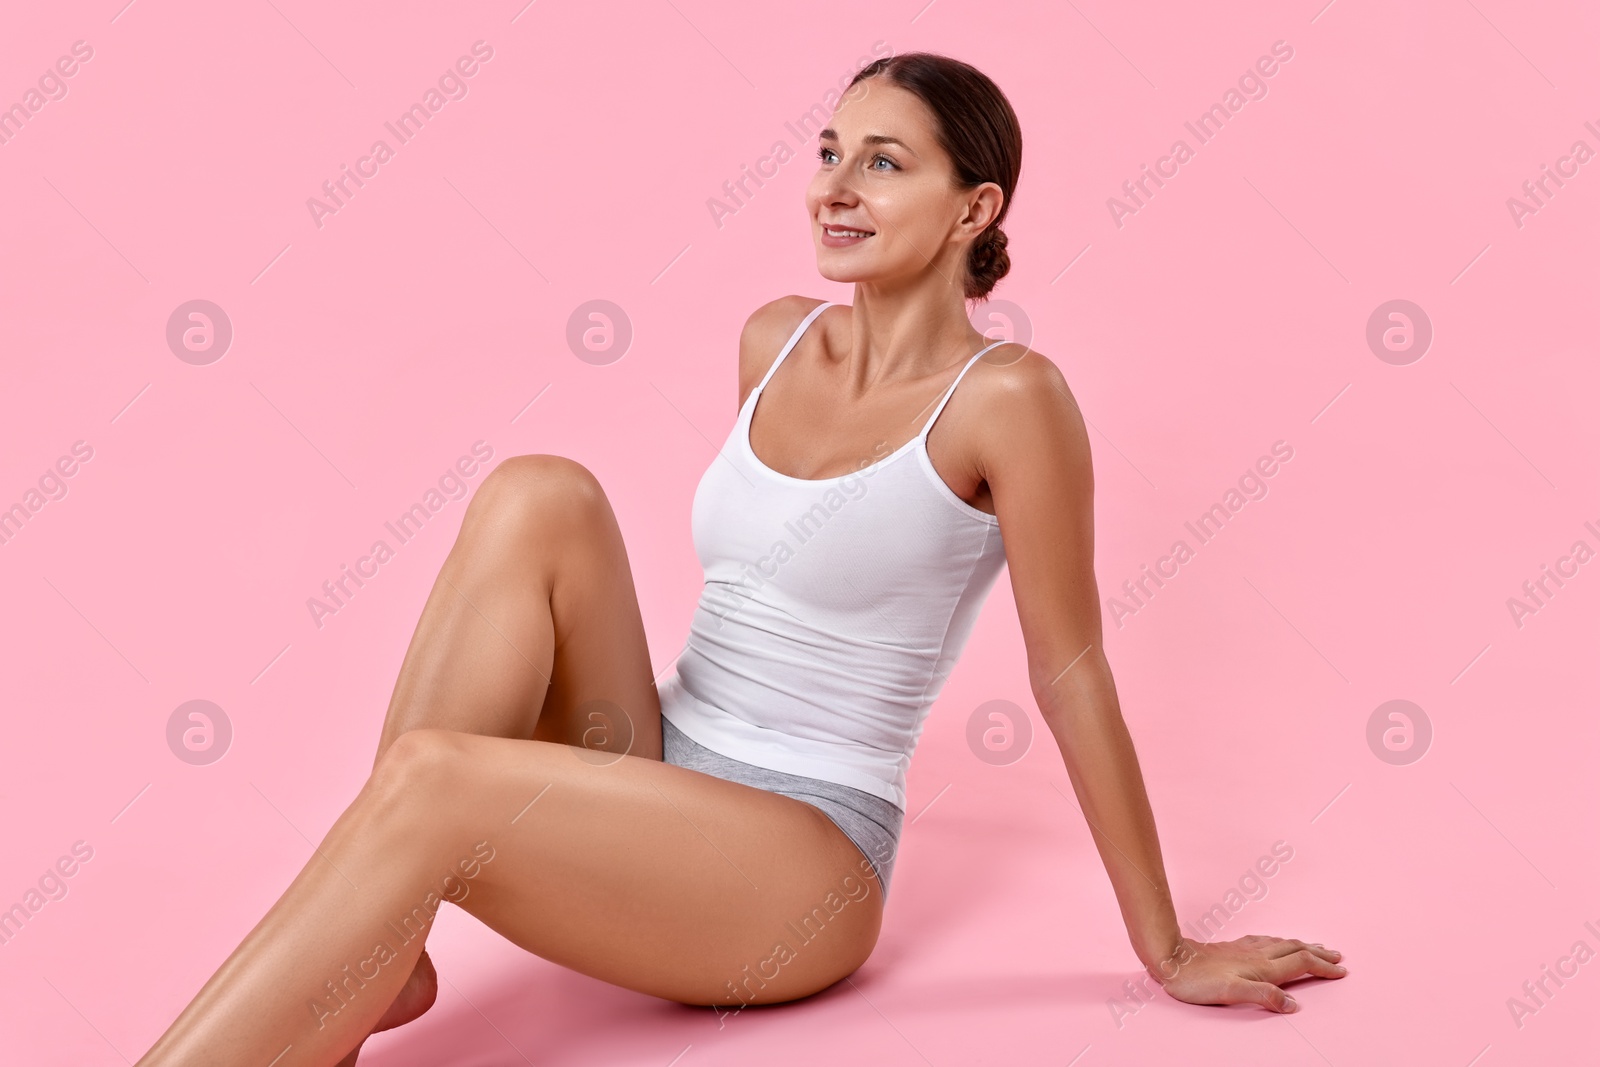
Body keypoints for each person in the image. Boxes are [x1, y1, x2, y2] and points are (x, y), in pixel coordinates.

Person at [135, 51, 1346, 1066]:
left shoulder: (1008, 401)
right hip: (661, 760)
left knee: (435, 778)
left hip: (795, 859)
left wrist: (1169, 944)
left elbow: (1069, 668)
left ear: (974, 209)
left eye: (884, 161)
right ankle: (377, 954)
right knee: (538, 492)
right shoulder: (775, 338)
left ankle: (361, 946)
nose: (836, 186)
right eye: (828, 152)